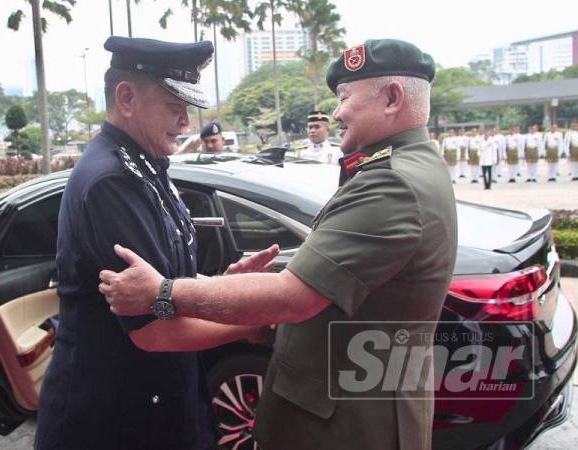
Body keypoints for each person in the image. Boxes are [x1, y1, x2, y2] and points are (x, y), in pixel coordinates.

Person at [100, 39, 457, 450]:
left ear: (392, 98)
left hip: (346, 423)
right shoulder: (413, 165)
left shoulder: (392, 181)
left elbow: (294, 297)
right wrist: (230, 288)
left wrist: (161, 293)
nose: (337, 112)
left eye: (344, 97)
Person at [35, 36, 277, 450]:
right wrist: (253, 320)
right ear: (126, 97)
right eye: (173, 106)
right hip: (114, 419)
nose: (185, 122)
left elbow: (167, 280)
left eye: (186, 109)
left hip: (160, 402)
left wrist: (220, 286)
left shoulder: (146, 165)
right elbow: (152, 329)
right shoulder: (112, 179)